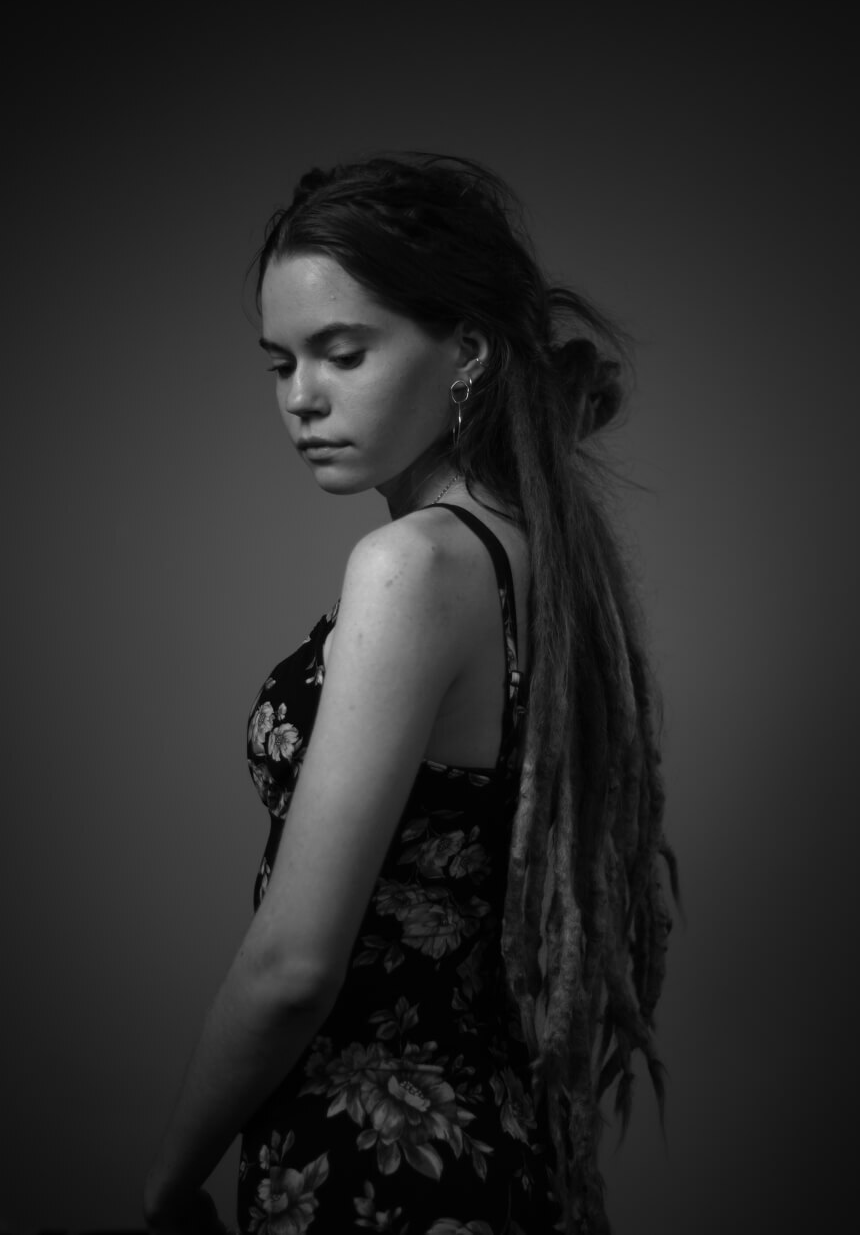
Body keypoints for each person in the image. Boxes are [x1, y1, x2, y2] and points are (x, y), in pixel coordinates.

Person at [143, 152, 679, 1235]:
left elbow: (294, 963)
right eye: (277, 363)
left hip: (373, 1170)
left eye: (342, 352)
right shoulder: (537, 560)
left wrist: (165, 1181)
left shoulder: (413, 567)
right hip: (499, 1149)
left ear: (468, 350)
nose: (301, 398)